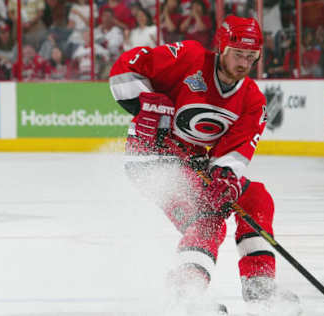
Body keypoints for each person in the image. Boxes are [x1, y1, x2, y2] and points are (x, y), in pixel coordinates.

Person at [109, 15, 300, 316]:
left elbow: (234, 152)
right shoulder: (189, 58)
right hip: (150, 159)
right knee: (207, 218)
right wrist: (144, 103)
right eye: (238, 54)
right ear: (222, 47)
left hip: (193, 164)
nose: (243, 63)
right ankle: (186, 294)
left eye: (251, 57)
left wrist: (225, 175)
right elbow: (126, 68)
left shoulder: (252, 100)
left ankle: (259, 289)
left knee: (255, 198)